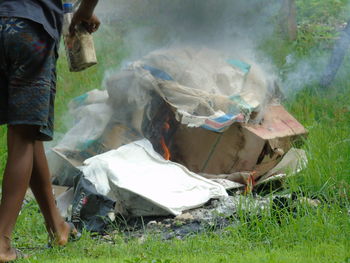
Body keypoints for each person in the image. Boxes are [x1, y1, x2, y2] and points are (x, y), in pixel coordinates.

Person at [0, 0, 100, 261]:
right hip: (30, 30)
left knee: (29, 130)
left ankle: (57, 226)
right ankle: (2, 243)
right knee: (22, 135)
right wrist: (84, 13)